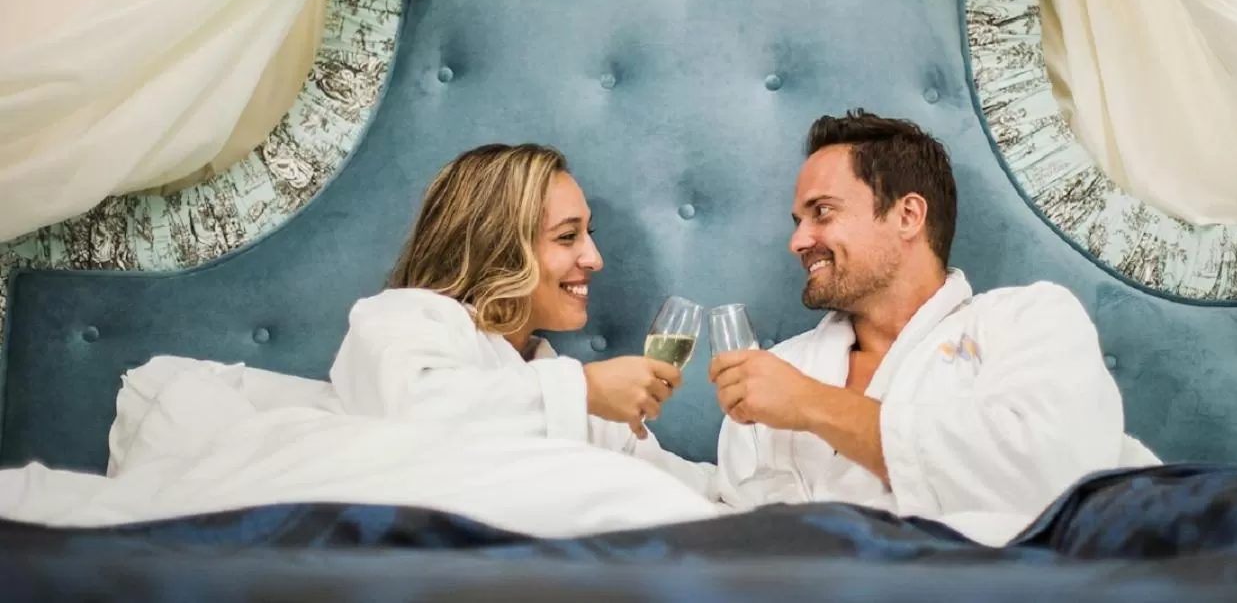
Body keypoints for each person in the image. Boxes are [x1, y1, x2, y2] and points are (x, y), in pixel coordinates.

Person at [707, 110, 1158, 544]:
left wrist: (811, 403)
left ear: (908, 216)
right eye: (798, 221)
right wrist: (635, 437)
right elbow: (732, 515)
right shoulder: (778, 369)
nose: (798, 241)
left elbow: (1050, 478)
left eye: (822, 212)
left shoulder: (1027, 320)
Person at [330, 142, 698, 471]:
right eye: (567, 236)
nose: (595, 259)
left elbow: (685, 488)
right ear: (497, 246)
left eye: (589, 234)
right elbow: (416, 416)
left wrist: (753, 417)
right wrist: (584, 390)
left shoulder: (554, 374)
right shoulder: (398, 319)